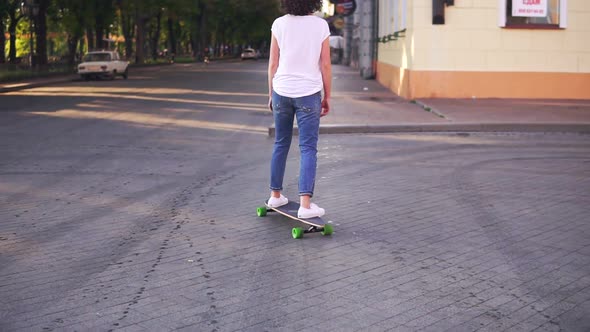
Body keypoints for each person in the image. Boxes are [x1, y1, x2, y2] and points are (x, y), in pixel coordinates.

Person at [266, 0, 332, 219]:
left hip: (281, 91)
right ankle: (305, 205)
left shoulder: (279, 24)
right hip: (308, 93)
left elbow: (273, 63)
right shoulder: (320, 25)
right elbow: (325, 64)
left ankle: (275, 195)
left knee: (281, 143)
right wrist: (328, 95)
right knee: (308, 148)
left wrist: (270, 93)